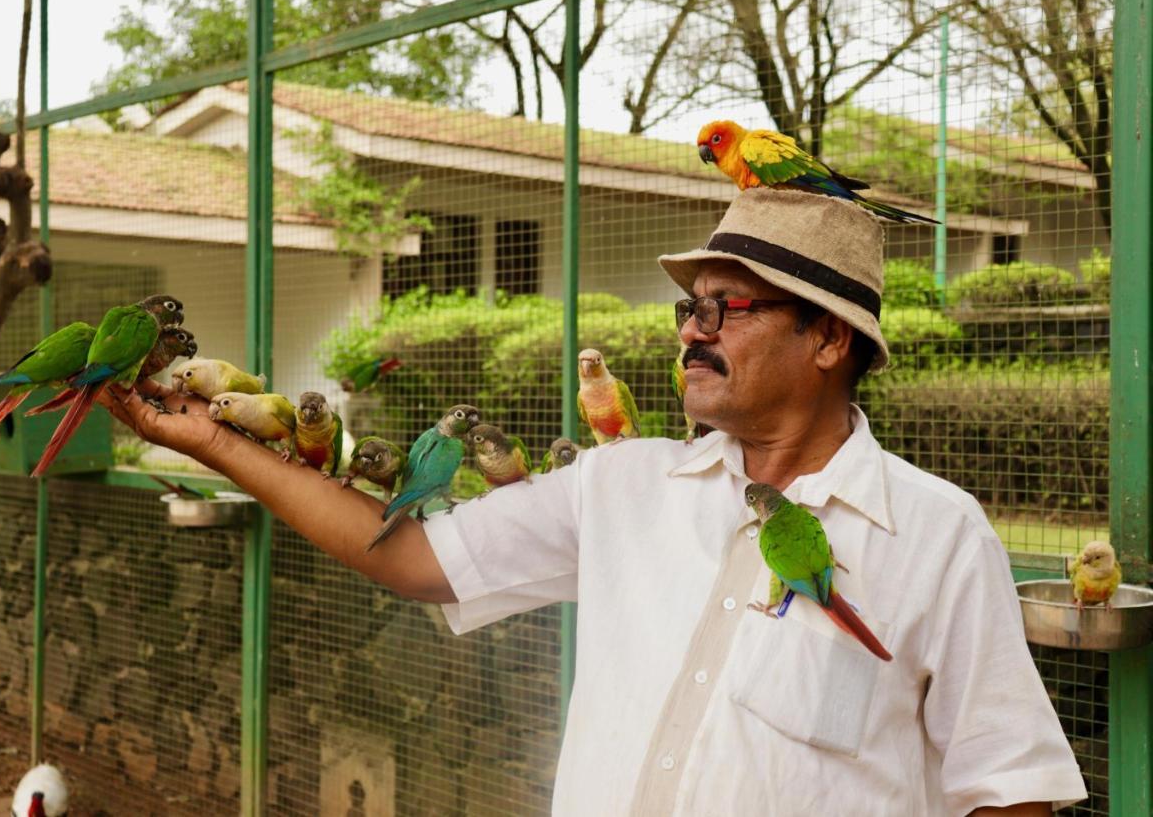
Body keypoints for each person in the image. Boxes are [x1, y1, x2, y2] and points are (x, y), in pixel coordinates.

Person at [103, 187, 1086, 815]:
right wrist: (213, 442)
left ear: (829, 341)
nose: (690, 334)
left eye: (725, 309)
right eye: (686, 310)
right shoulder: (621, 486)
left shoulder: (940, 536)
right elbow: (407, 554)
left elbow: (1007, 790)